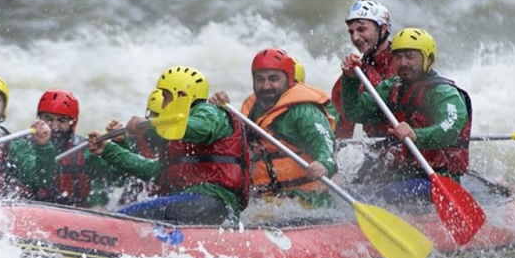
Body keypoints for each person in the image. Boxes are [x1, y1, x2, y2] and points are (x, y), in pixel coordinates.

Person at [87, 66, 250, 225]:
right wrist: (108, 149)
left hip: (214, 201)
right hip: (192, 202)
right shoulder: (176, 131)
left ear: (182, 95)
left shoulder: (210, 112)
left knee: (120, 219)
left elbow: (202, 128)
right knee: (128, 214)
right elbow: (155, 171)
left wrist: (150, 124)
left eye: (166, 97)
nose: (163, 105)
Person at [339, 27, 472, 196]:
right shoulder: (391, 87)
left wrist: (416, 135)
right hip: (400, 172)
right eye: (398, 57)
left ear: (428, 59)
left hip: (437, 176)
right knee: (352, 191)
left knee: (386, 195)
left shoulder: (444, 93)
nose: (403, 63)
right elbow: (354, 113)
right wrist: (350, 79)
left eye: (410, 56)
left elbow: (450, 130)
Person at [211, 48, 337, 208]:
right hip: (266, 198)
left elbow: (324, 142)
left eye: (274, 78)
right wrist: (219, 111)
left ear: (289, 80)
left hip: (307, 199)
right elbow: (232, 140)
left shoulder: (304, 111)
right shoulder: (252, 109)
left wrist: (324, 164)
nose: (266, 86)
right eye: (259, 79)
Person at [32, 89, 125, 208]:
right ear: (38, 119)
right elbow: (33, 180)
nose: (54, 127)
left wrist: (120, 145)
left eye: (62, 121)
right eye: (48, 119)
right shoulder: (24, 146)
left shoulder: (85, 149)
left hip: (77, 217)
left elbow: (117, 179)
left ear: (72, 123)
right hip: (35, 212)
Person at [331, 0, 395, 139]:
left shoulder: (403, 62)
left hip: (410, 143)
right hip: (378, 146)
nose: (355, 38)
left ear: (383, 28)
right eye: (351, 32)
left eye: (361, 29)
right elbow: (342, 118)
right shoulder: (355, 72)